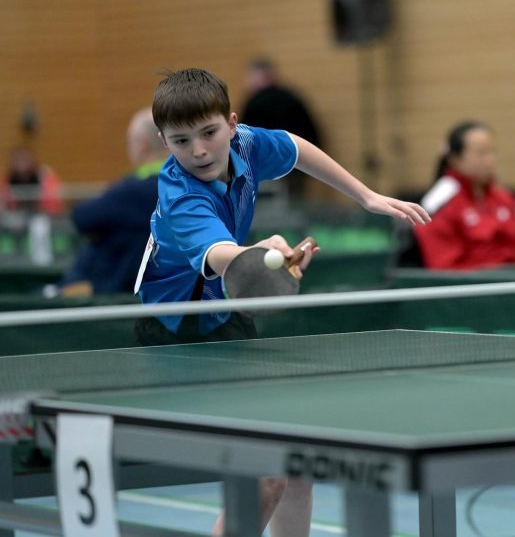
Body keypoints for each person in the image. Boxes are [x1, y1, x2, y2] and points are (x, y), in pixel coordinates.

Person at [134, 67, 428, 537]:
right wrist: (260, 255)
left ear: (232, 123)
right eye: (180, 141)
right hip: (176, 333)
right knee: (267, 475)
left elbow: (294, 148)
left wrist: (366, 196)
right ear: (163, 141)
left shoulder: (245, 145)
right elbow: (221, 255)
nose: (199, 150)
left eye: (209, 133)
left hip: (224, 316)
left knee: (295, 468)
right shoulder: (180, 194)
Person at [58, 108, 167, 296]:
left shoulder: (133, 190)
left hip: (113, 293)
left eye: (129, 142)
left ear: (143, 144)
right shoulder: (184, 186)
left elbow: (82, 217)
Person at [413, 121, 515, 270]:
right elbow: (445, 269)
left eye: (491, 152)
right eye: (481, 153)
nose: (490, 161)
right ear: (455, 159)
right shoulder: (438, 203)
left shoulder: (504, 198)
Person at [240, 57, 323, 200]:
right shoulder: (293, 98)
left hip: (267, 167)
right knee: (295, 207)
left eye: (251, 77)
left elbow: (243, 139)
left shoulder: (255, 104)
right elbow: (313, 134)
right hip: (299, 163)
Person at [2, 145, 63, 215]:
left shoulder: (44, 179)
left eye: (25, 159)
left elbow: (54, 205)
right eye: (18, 159)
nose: (22, 163)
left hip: (40, 215)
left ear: (32, 161)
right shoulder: (6, 182)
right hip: (14, 217)